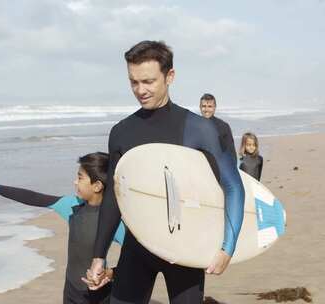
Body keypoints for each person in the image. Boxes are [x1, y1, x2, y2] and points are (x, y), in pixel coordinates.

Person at [87, 40, 245, 304]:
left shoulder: (199, 129)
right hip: (137, 249)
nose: (140, 90)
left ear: (169, 76)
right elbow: (115, 197)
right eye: (134, 82)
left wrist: (227, 248)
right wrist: (99, 255)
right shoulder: (122, 132)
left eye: (148, 81)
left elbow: (232, 186)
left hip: (185, 250)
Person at [0, 152, 125, 304]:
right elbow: (34, 198)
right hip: (71, 290)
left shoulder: (112, 220)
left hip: (99, 294)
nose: (75, 182)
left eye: (80, 177)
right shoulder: (73, 205)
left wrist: (110, 273)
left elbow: (136, 259)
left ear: (97, 186)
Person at [199, 93, 237, 161]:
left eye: (210, 106)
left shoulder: (223, 127)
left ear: (214, 107)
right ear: (200, 107)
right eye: (204, 106)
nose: (206, 109)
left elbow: (231, 154)